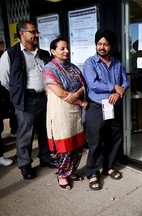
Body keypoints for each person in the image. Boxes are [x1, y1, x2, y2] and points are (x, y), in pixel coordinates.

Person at [0, 20, 54, 180]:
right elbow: (4, 79)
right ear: (22, 33)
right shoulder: (10, 54)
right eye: (33, 32)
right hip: (26, 100)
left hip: (44, 98)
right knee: (25, 135)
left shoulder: (43, 54)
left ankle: (45, 158)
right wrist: (18, 93)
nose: (36, 35)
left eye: (37, 32)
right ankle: (25, 165)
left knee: (45, 131)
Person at [83, 28, 130, 191]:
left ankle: (109, 166)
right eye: (99, 43)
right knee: (95, 142)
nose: (102, 47)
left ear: (111, 46)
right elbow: (93, 83)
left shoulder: (118, 63)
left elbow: (126, 82)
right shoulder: (90, 63)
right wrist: (114, 87)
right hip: (96, 108)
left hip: (113, 107)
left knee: (114, 138)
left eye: (106, 44)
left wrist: (119, 92)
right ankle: (92, 173)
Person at [42, 37, 88, 190]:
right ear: (53, 52)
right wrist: (80, 101)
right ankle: (62, 175)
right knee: (64, 146)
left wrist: (77, 95)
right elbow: (61, 94)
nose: (66, 51)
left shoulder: (72, 67)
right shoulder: (49, 69)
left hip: (74, 112)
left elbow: (83, 85)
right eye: (62, 48)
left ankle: (71, 171)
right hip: (60, 112)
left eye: (67, 48)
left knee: (77, 144)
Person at [0, 39, 18, 138]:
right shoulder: (6, 55)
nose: (1, 46)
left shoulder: (6, 54)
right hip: (3, 90)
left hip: (7, 90)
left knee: (13, 111)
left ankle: (14, 130)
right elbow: (3, 78)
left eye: (2, 43)